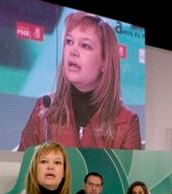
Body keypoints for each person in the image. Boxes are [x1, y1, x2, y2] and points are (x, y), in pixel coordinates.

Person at [18, 11, 141, 151]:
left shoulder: (126, 122)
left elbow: (125, 173)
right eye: (69, 42)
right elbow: (23, 168)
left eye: (85, 45)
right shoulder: (44, 109)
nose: (72, 51)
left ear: (104, 63)